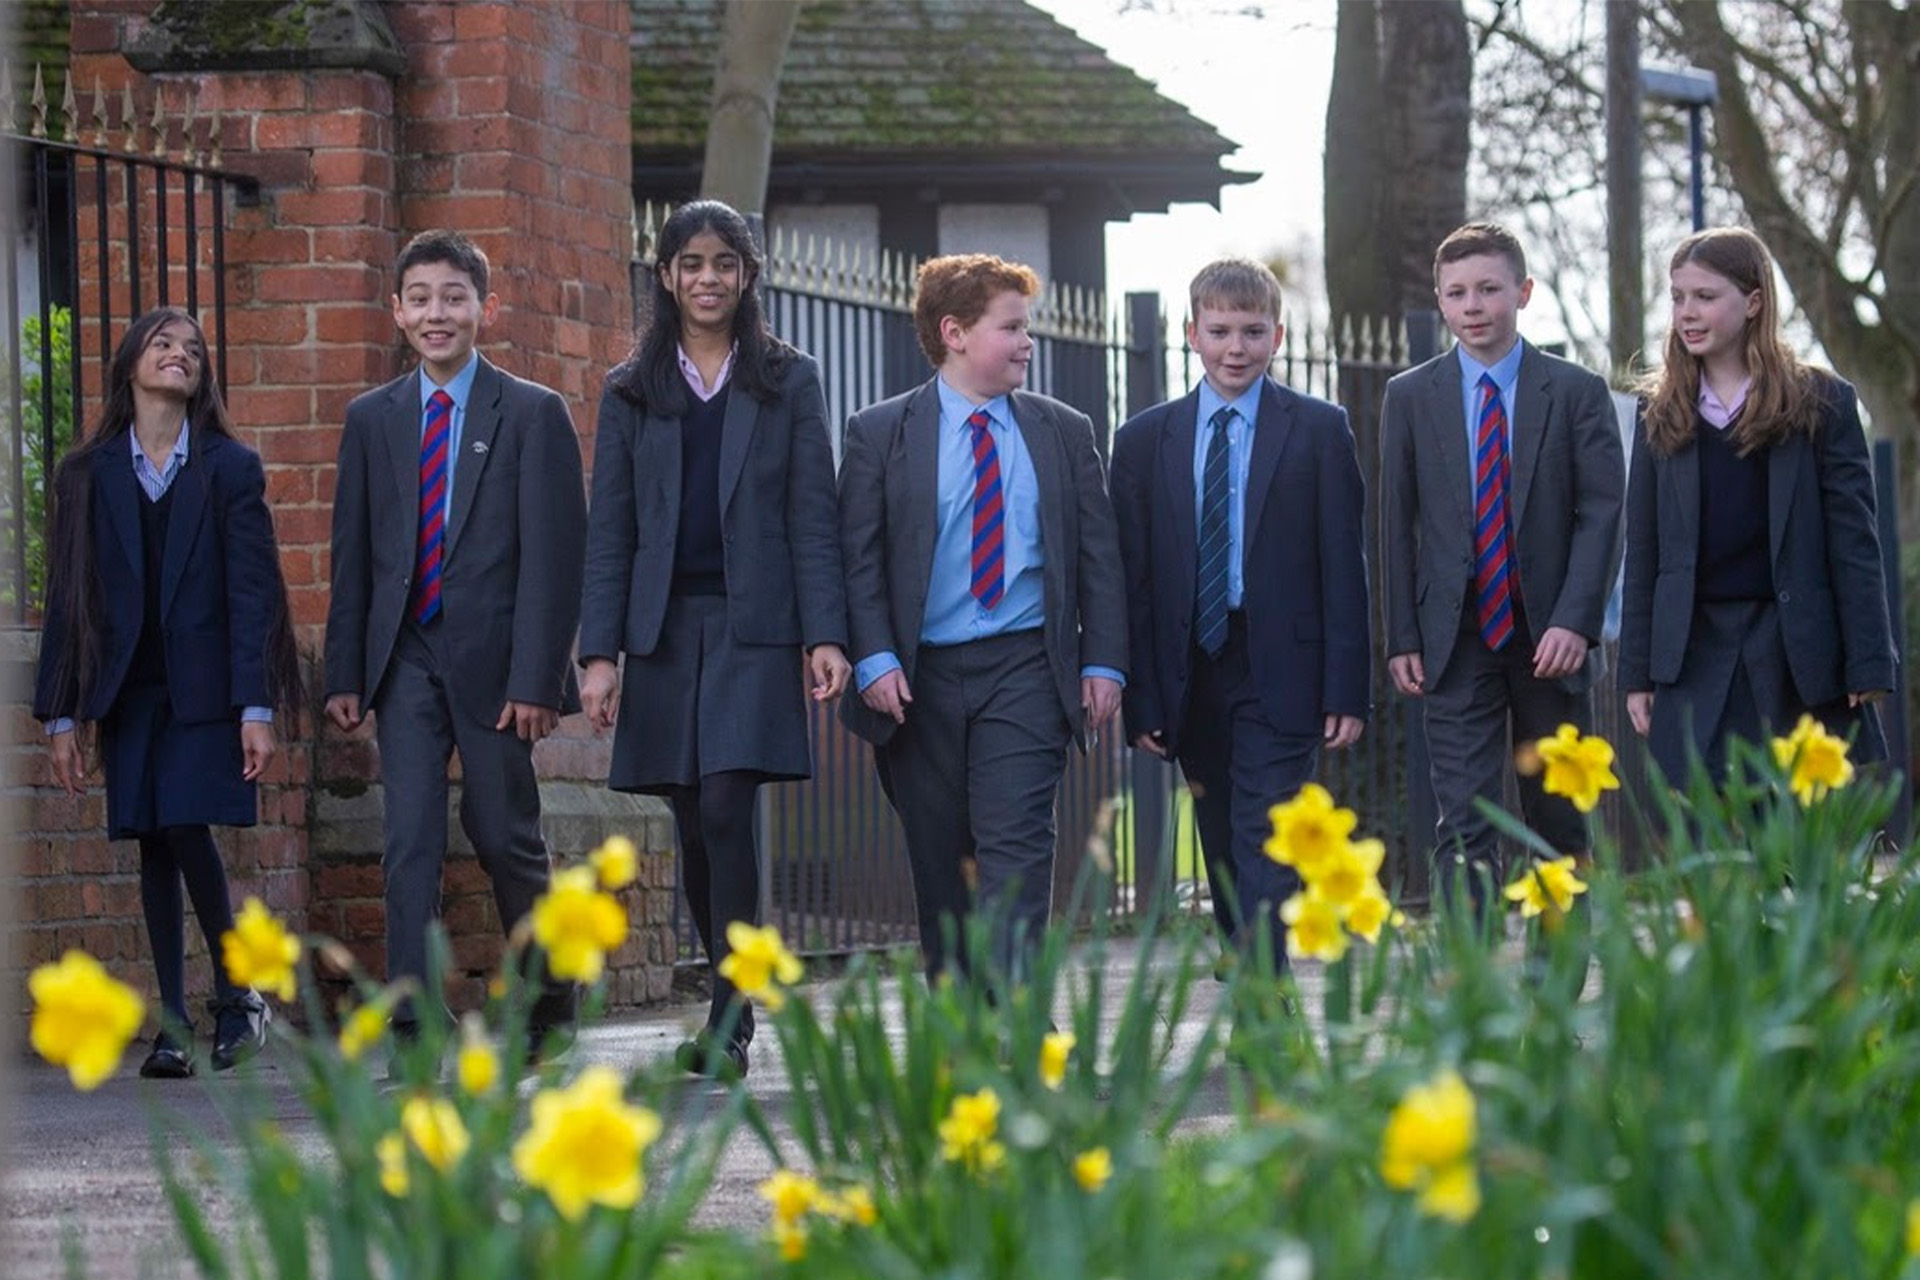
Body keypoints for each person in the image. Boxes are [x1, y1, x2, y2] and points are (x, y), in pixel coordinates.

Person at [578, 201, 850, 1079]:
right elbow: (610, 528)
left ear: (747, 274)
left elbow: (814, 511)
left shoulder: (786, 378)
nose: (707, 278)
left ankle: (733, 1013)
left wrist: (825, 634)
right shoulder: (630, 390)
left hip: (753, 627)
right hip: (660, 632)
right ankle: (725, 994)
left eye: (724, 263)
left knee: (730, 805)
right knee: (691, 819)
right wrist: (598, 653)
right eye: (690, 263)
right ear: (665, 276)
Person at [323, 230, 587, 1049]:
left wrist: (540, 678)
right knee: (407, 836)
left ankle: (548, 998)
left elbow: (555, 557)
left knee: (502, 829)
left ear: (485, 308)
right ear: (397, 312)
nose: (438, 314)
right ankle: (411, 1016)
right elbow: (353, 553)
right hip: (405, 655)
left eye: (455, 297)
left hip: (499, 663)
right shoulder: (372, 419)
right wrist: (344, 670)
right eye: (422, 299)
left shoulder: (533, 412)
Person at [839, 253, 1127, 983]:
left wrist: (1104, 661)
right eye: (1012, 327)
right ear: (955, 332)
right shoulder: (879, 434)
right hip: (918, 679)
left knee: (1017, 847)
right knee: (941, 862)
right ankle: (961, 1022)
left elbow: (1099, 556)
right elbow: (859, 560)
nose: (1028, 342)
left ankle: (1020, 1019)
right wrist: (872, 657)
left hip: (1026, 667)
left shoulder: (1064, 431)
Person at [35, 306, 301, 1078]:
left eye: (192, 349)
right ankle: (176, 1022)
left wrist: (257, 707)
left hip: (205, 688)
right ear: (130, 365)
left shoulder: (228, 467)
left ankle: (235, 996)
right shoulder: (87, 475)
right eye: (163, 344)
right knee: (151, 837)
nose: (179, 355)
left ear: (202, 375)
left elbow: (253, 592)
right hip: (128, 689)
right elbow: (66, 595)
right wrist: (59, 711)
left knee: (185, 823)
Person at [1109, 258, 1370, 970]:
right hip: (1189, 666)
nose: (1236, 347)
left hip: (1278, 664)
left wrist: (1347, 687)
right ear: (1191, 333)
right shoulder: (1143, 440)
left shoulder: (1318, 431)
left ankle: (1264, 994)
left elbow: (1344, 564)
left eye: (1252, 332)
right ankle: (1249, 965)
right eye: (1219, 330)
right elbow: (1132, 578)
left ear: (1278, 336)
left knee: (1264, 831)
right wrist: (1141, 696)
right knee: (1221, 835)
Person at [1380, 222, 1625, 913]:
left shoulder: (1575, 392)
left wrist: (1576, 623)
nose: (1473, 305)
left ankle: (1553, 992)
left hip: (1550, 642)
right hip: (1454, 641)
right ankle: (1476, 991)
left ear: (1523, 292)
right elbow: (1397, 524)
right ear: (1440, 300)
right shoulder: (1410, 396)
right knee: (1463, 824)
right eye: (1456, 293)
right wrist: (1403, 635)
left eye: (1489, 289)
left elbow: (1603, 514)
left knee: (1556, 823)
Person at [1621, 226, 1895, 782]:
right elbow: (1645, 551)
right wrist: (1636, 675)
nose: (1687, 313)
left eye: (1705, 296)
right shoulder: (1659, 412)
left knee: (1795, 844)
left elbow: (1854, 543)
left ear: (1753, 302)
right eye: (1677, 298)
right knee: (1706, 844)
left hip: (1794, 653)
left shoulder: (1822, 403)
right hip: (1694, 656)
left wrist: (1867, 659)